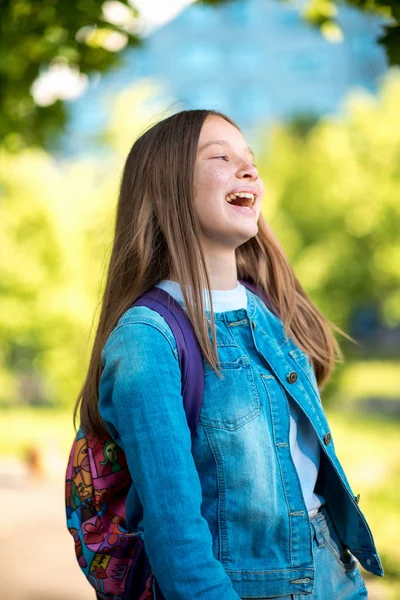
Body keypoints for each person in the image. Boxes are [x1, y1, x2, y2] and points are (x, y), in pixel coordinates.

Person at [74, 109, 383, 599]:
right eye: (221, 157)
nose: (248, 169)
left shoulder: (267, 310)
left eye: (250, 160)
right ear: (168, 188)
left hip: (336, 579)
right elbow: (176, 536)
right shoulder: (147, 339)